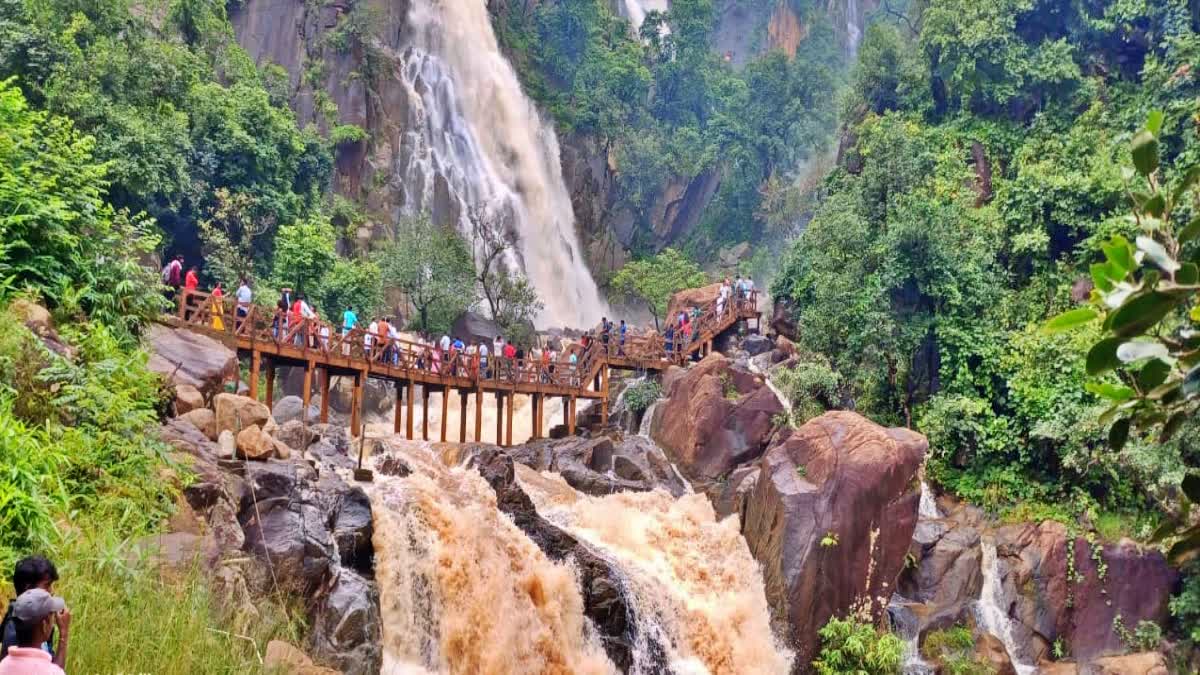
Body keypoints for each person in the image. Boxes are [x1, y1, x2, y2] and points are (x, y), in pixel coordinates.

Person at [1, 557, 67, 669]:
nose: (51, 591)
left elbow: (50, 667)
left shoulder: (38, 618)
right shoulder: (14, 632)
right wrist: (64, 634)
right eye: (47, 585)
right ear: (28, 589)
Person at [0, 589, 67, 675]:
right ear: (44, 625)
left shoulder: (3, 666)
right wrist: (64, 633)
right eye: (51, 615)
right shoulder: (53, 672)